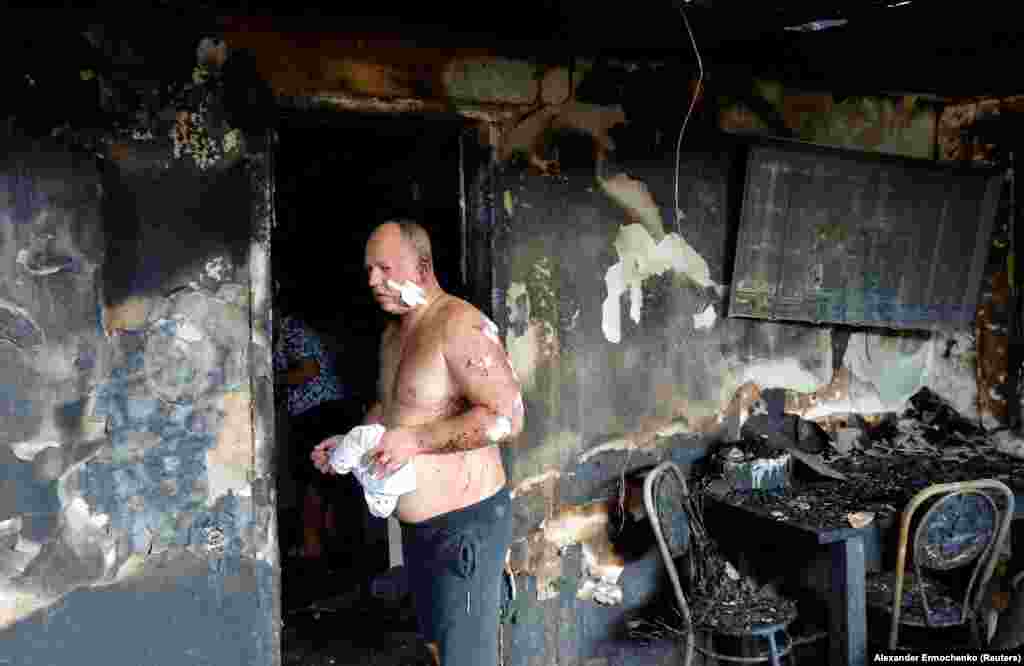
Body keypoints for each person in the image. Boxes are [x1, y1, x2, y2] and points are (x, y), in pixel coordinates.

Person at [311, 220, 524, 666]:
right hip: (421, 531)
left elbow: (508, 416)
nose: (373, 281)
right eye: (369, 270)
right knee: (437, 649)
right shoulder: (394, 335)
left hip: (466, 526)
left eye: (384, 268)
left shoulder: (459, 325)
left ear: (422, 265)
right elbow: (393, 411)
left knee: (466, 657)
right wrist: (348, 446)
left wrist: (417, 441)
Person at [273, 302, 364, 563]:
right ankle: (330, 544)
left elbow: (309, 370)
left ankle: (315, 545)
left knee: (313, 478)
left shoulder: (291, 331)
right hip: (319, 411)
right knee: (324, 479)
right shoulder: (287, 333)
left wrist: (269, 378)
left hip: (319, 412)